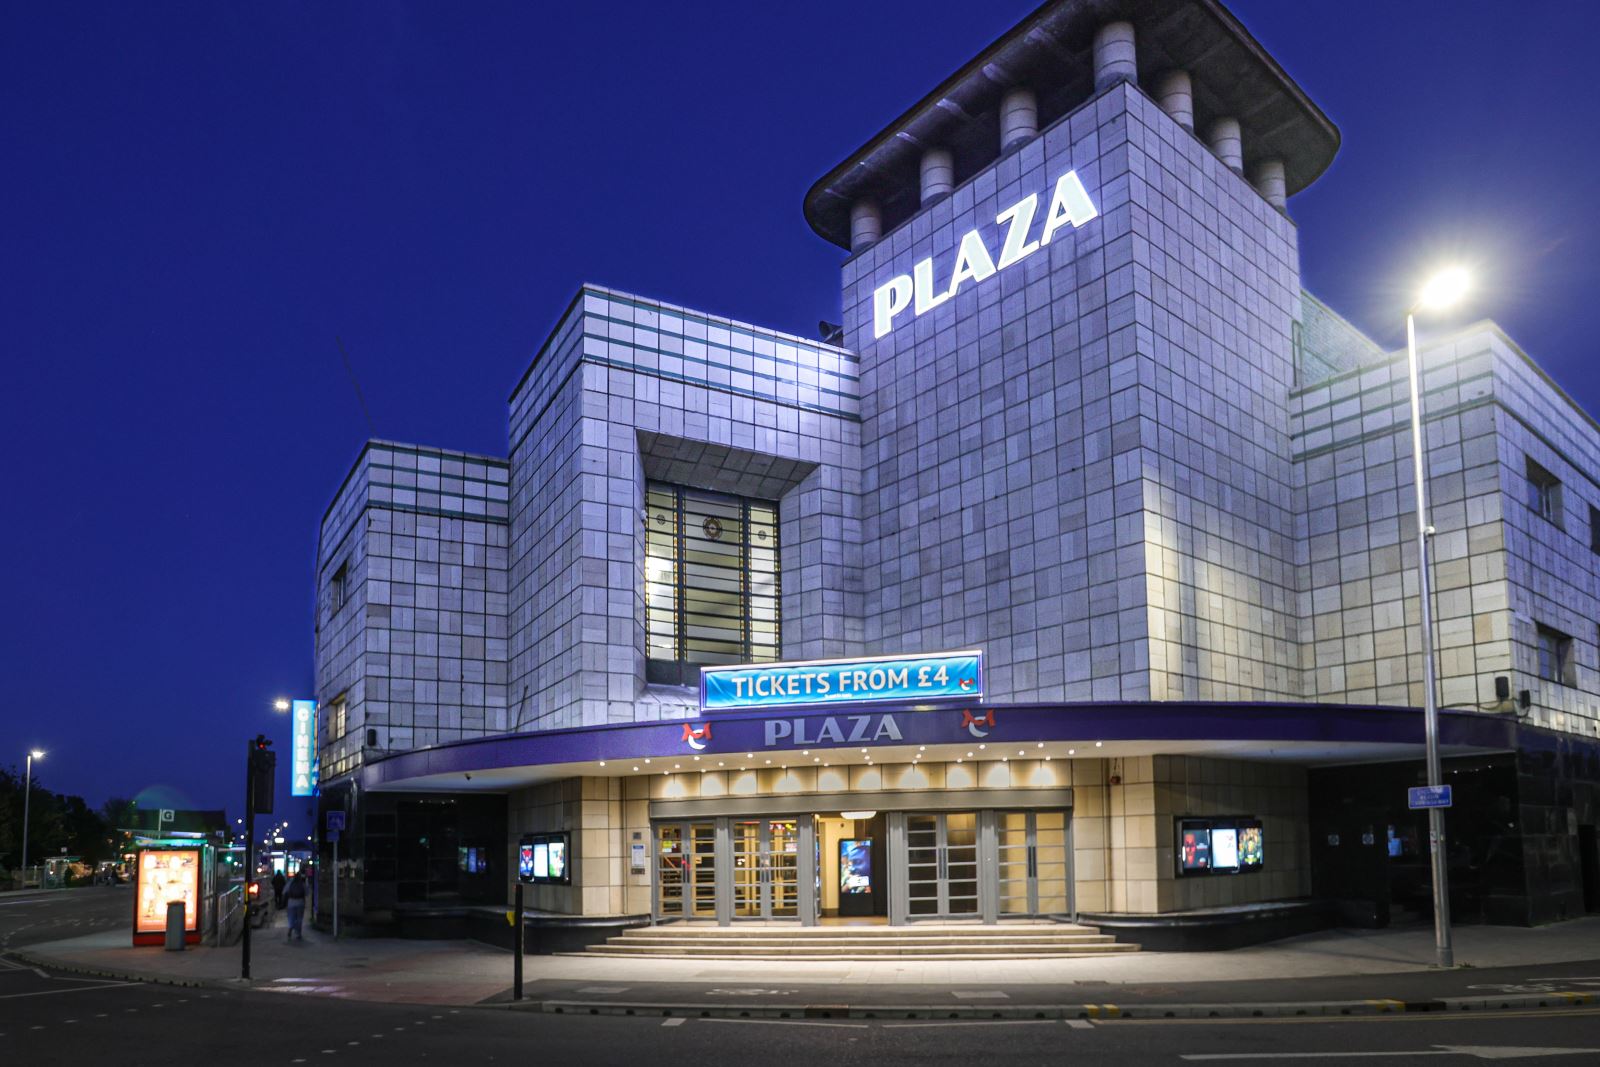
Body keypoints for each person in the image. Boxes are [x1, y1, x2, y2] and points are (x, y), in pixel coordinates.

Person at [284, 870, 307, 942]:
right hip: (300, 902)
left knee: (291, 917)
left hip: (291, 902)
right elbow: (307, 892)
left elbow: (284, 891)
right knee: (299, 918)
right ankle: (298, 934)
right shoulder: (303, 884)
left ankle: (291, 927)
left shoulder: (290, 883)